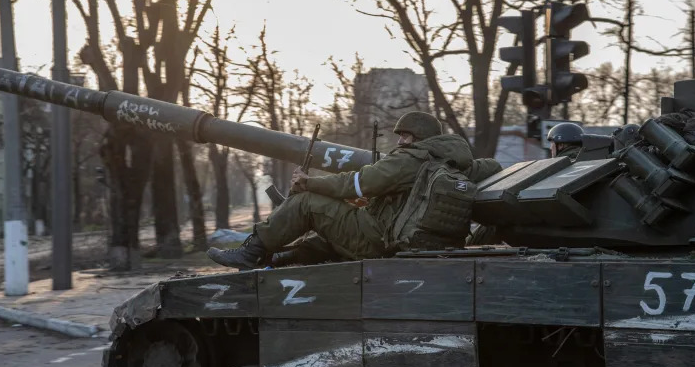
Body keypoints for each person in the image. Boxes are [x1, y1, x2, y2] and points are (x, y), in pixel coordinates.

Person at [207, 111, 502, 269]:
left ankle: (251, 253)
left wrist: (309, 183)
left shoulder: (409, 159)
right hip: (405, 240)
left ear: (419, 137)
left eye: (405, 136)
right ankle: (277, 260)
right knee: (328, 232)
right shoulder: (452, 162)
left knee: (307, 203)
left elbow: (358, 182)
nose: (399, 142)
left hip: (379, 239)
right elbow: (491, 167)